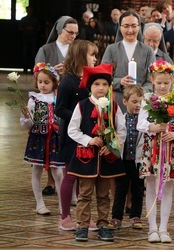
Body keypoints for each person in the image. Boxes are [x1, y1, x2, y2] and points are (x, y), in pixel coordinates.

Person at [68, 64, 126, 242]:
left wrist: (112, 145)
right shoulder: (82, 105)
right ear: (90, 87)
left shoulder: (114, 106)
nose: (100, 87)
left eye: (104, 84)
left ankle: (103, 224)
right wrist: (89, 140)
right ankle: (83, 225)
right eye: (96, 84)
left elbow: (122, 131)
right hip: (86, 158)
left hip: (106, 158)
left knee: (104, 194)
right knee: (85, 194)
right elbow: (72, 130)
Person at [137, 59, 174, 243]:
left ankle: (164, 228)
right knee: (151, 185)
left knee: (167, 186)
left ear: (172, 82)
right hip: (152, 148)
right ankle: (152, 227)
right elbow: (140, 123)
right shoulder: (147, 99)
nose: (162, 86)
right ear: (152, 80)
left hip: (171, 149)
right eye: (159, 83)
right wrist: (153, 127)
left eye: (166, 83)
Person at [56, 40, 99, 231]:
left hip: (88, 136)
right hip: (72, 136)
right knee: (70, 176)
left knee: (85, 177)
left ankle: (83, 216)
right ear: (81, 56)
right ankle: (65, 217)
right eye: (92, 55)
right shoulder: (68, 81)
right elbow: (60, 109)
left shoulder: (90, 80)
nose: (95, 58)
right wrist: (78, 117)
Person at [34, 16, 78, 196]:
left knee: (66, 135)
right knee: (50, 138)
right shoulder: (46, 49)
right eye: (70, 32)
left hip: (69, 97)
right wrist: (52, 72)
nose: (73, 36)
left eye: (76, 33)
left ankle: (68, 177)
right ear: (60, 29)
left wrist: (68, 71)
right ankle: (50, 180)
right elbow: (38, 71)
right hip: (50, 98)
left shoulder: (76, 50)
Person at [21, 62, 64, 216]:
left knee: (58, 172)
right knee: (37, 171)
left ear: (54, 82)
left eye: (47, 82)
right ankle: (40, 203)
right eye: (40, 82)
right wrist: (26, 117)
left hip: (54, 139)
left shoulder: (58, 98)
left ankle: (62, 204)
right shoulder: (33, 99)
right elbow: (28, 124)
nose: (43, 85)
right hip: (38, 139)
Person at [101, 10, 156, 113]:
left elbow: (152, 79)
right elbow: (104, 77)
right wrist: (119, 82)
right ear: (120, 27)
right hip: (117, 101)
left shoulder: (148, 51)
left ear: (139, 27)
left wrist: (140, 93)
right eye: (126, 26)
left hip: (142, 102)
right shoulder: (111, 49)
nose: (130, 30)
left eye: (134, 26)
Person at [108, 85, 145, 230]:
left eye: (140, 102)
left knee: (138, 189)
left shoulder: (144, 121)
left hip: (138, 161)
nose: (138, 105)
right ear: (125, 101)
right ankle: (116, 217)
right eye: (134, 102)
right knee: (120, 189)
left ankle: (136, 216)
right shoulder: (120, 119)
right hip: (123, 160)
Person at [19, 6, 40, 73]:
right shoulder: (23, 19)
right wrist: (26, 29)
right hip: (25, 38)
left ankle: (32, 68)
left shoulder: (35, 20)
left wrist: (33, 29)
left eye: (31, 10)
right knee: (25, 53)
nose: (30, 11)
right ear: (26, 11)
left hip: (33, 38)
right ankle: (25, 68)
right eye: (28, 10)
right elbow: (19, 28)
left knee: (33, 54)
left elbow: (39, 28)